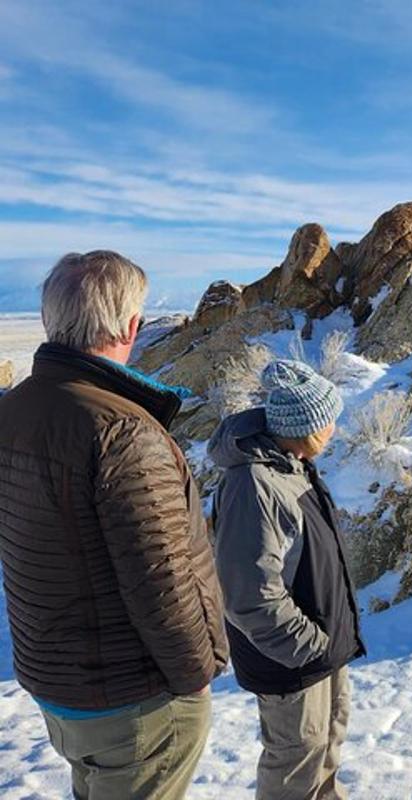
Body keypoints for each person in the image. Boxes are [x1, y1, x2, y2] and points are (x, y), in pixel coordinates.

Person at [0, 251, 229, 799]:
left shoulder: (16, 409)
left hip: (59, 680)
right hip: (133, 698)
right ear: (130, 326)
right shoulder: (122, 432)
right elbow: (161, 579)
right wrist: (197, 674)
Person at [209, 359, 365, 800]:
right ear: (307, 427)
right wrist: (309, 647)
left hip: (321, 650)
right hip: (292, 659)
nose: (335, 427)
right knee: (294, 767)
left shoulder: (289, 464)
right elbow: (248, 594)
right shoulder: (254, 484)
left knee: (325, 751)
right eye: (328, 419)